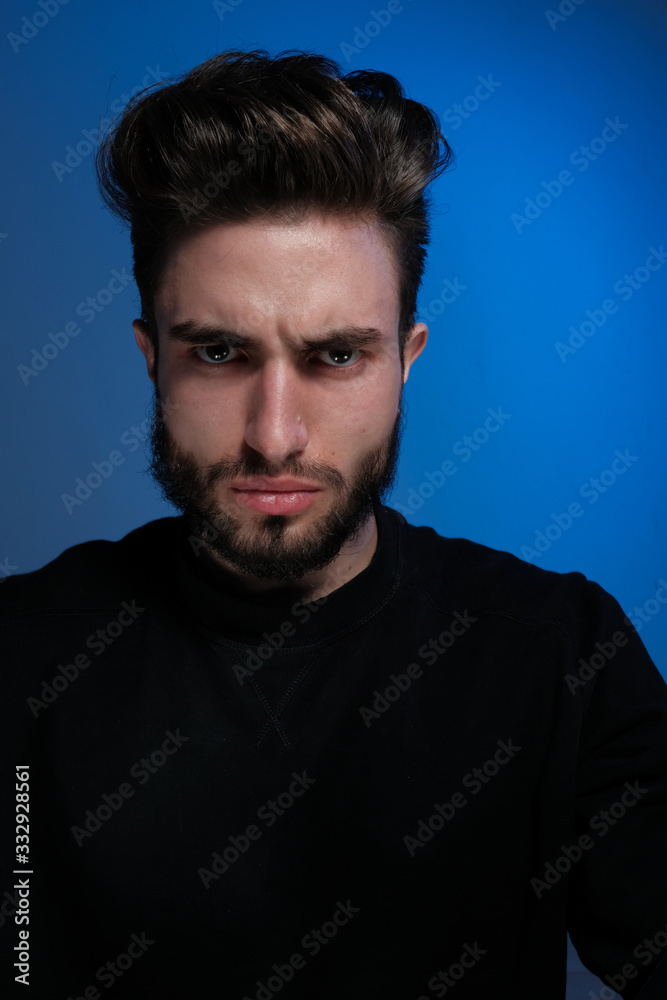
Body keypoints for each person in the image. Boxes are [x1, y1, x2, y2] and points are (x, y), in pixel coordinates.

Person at [1, 48, 666, 999]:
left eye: (337, 356)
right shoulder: (24, 659)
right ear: (152, 359)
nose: (275, 437)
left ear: (406, 360)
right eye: (221, 352)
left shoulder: (559, 656)